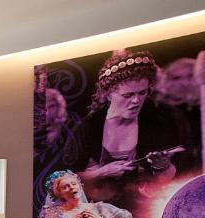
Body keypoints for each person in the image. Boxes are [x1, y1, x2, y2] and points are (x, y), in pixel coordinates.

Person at [65, 49, 188, 200]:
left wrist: (162, 167)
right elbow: (63, 181)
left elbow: (173, 181)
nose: (136, 100)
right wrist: (102, 172)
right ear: (108, 94)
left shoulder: (160, 122)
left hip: (145, 210)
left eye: (142, 93)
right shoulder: (88, 127)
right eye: (128, 95)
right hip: (95, 212)